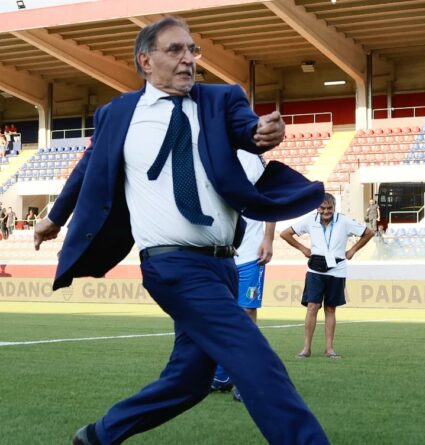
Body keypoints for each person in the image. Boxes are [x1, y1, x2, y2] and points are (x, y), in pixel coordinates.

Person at [33, 16, 329, 445]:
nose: (189, 59)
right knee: (256, 361)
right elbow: (87, 169)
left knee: (189, 381)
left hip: (223, 266)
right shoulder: (117, 114)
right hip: (170, 264)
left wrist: (263, 132)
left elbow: (248, 129)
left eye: (193, 50)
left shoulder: (220, 99)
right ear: (146, 61)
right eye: (176, 50)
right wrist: (54, 218)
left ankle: (98, 436)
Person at [209, 151, 275, 403]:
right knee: (223, 314)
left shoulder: (250, 157)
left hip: (250, 251)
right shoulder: (213, 152)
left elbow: (268, 201)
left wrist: (268, 239)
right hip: (223, 251)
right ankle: (224, 374)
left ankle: (249, 379)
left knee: (246, 313)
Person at [280, 193, 374, 359]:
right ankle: (306, 348)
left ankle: (329, 349)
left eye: (329, 208)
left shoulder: (344, 221)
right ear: (317, 208)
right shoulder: (310, 220)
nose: (326, 211)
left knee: (331, 308)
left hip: (337, 269)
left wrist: (352, 250)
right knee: (312, 307)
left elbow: (368, 232)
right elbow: (285, 233)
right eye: (322, 208)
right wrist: (303, 249)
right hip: (315, 269)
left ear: (334, 207)